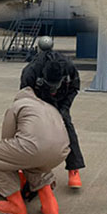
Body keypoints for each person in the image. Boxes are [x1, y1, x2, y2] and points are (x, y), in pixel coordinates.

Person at [0, 85, 70, 214]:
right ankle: (51, 207)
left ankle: (16, 205)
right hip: (61, 152)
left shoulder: (17, 106)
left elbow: (6, 138)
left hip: (34, 150)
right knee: (34, 161)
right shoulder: (48, 106)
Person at [20, 37, 85, 189]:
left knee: (66, 126)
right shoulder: (30, 71)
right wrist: (37, 112)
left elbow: (75, 88)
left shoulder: (69, 67)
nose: (53, 90)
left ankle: (74, 169)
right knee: (32, 130)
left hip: (62, 101)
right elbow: (24, 96)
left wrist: (64, 108)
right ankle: (30, 167)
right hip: (39, 100)